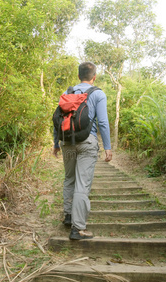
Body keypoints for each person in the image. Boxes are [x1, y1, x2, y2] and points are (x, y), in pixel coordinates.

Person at [53, 62, 112, 240]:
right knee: (82, 183)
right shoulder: (98, 93)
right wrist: (107, 147)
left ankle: (69, 215)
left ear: (79, 76)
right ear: (94, 77)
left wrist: (56, 143)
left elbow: (57, 119)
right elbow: (102, 122)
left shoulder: (66, 93)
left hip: (68, 143)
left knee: (69, 178)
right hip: (87, 143)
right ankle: (78, 228)